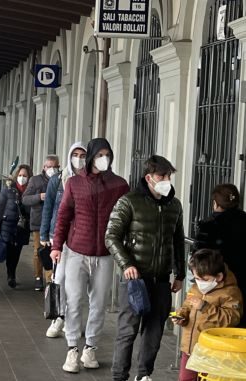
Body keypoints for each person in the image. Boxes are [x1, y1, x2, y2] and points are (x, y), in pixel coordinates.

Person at [50, 137, 129, 373]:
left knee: (99, 303)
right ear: (92, 156)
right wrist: (56, 246)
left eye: (108, 154)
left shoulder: (119, 185)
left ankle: (91, 347)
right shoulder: (74, 183)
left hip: (105, 254)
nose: (104, 158)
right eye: (100, 154)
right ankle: (72, 348)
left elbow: (126, 218)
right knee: (73, 301)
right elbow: (63, 216)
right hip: (76, 252)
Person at [106, 155, 186, 381]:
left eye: (169, 176)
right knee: (128, 331)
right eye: (162, 175)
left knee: (154, 332)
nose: (166, 180)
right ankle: (119, 376)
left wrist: (180, 274)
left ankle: (144, 375)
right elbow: (111, 236)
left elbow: (178, 241)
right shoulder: (129, 201)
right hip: (135, 279)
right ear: (149, 177)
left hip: (161, 278)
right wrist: (127, 264)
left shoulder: (174, 205)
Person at [172, 249, 243, 381]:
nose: (199, 283)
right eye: (196, 278)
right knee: (185, 378)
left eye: (204, 279)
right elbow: (187, 305)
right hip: (189, 347)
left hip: (211, 350)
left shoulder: (230, 292)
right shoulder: (195, 287)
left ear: (219, 277)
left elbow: (231, 319)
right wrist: (182, 316)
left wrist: (205, 307)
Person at [40, 142, 86, 338]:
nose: (78, 158)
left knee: (76, 281)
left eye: (82, 155)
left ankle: (70, 319)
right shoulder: (58, 180)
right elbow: (48, 208)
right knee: (59, 278)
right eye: (75, 154)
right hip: (59, 235)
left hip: (81, 236)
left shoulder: (91, 180)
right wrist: (44, 234)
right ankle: (57, 318)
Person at [194, 184, 246, 327]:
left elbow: (198, 259)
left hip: (217, 286)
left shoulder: (209, 226)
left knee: (215, 326)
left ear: (215, 203)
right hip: (243, 285)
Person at [22, 154, 60, 291]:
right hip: (39, 221)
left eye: (55, 167)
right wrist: (38, 197)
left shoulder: (61, 180)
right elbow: (25, 199)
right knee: (39, 251)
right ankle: (38, 277)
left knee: (53, 251)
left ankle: (50, 277)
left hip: (55, 221)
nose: (52, 169)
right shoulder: (35, 180)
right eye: (49, 166)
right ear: (44, 167)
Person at [0, 164, 31, 288]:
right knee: (9, 249)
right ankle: (11, 274)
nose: (22, 178)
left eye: (24, 175)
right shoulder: (8, 189)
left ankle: (12, 271)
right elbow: (0, 207)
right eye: (20, 175)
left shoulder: (31, 190)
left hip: (22, 225)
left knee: (17, 250)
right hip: (8, 223)